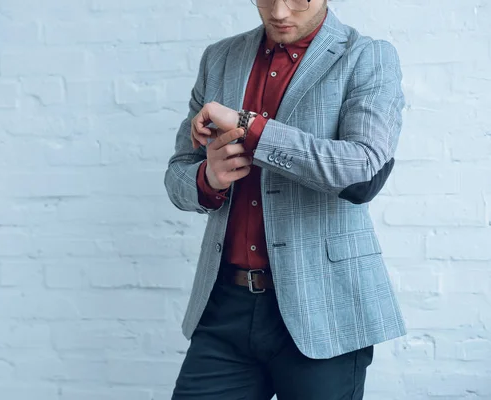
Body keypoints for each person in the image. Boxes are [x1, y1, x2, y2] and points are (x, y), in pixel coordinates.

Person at [163, 0, 407, 398]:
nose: (279, 12)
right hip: (225, 304)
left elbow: (363, 168)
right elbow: (177, 174)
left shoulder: (366, 56)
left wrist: (250, 127)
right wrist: (207, 178)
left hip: (325, 305)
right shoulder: (220, 58)